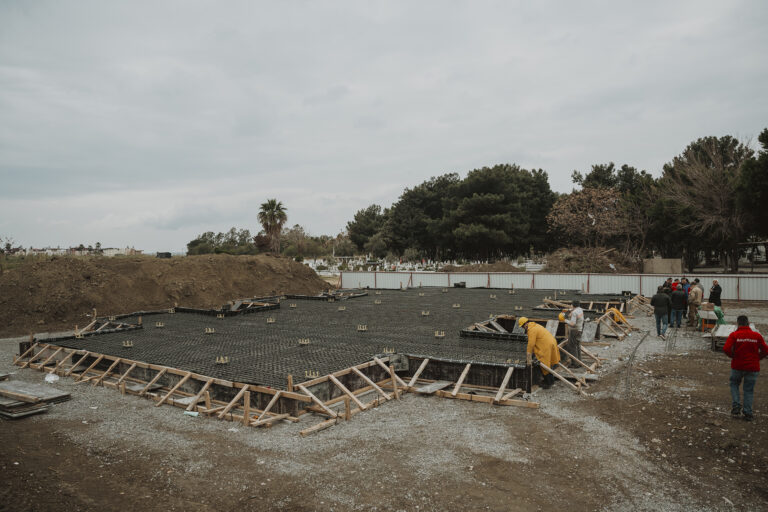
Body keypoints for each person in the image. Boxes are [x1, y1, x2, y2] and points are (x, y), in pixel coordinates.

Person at [723, 315, 768, 421]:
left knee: (734, 384)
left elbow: (726, 348)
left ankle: (736, 405)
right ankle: (748, 412)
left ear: (737, 323)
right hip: (752, 367)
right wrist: (758, 358)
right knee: (748, 390)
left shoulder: (734, 335)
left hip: (737, 365)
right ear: (748, 323)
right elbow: (766, 350)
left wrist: (733, 356)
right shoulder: (757, 336)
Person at [519, 317, 561, 389]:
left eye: (523, 326)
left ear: (525, 324)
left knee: (543, 363)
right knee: (548, 363)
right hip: (551, 342)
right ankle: (551, 380)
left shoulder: (531, 330)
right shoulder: (535, 325)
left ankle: (549, 383)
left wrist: (528, 354)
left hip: (546, 345)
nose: (523, 328)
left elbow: (531, 344)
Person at [562, 301, 584, 365]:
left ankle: (575, 364)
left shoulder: (574, 312)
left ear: (573, 305)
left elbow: (572, 324)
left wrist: (564, 320)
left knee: (572, 347)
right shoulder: (580, 310)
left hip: (574, 331)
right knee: (577, 346)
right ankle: (579, 362)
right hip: (579, 330)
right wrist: (570, 311)